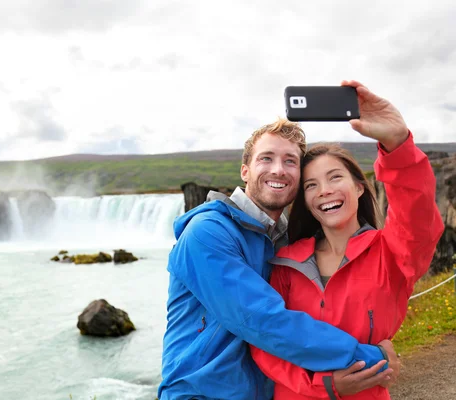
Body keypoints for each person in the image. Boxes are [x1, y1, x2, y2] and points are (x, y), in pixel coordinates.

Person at [158, 80, 400, 400]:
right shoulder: (207, 233)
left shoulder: (285, 241)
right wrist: (369, 357)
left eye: (290, 161)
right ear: (245, 170)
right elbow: (262, 320)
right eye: (266, 158)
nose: (279, 170)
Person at [250, 80, 444, 399]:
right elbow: (264, 343)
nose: (324, 190)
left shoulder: (392, 253)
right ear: (306, 201)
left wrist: (396, 143)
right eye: (311, 185)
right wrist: (324, 384)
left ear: (359, 187)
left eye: (335, 177)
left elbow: (417, 216)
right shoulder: (284, 262)